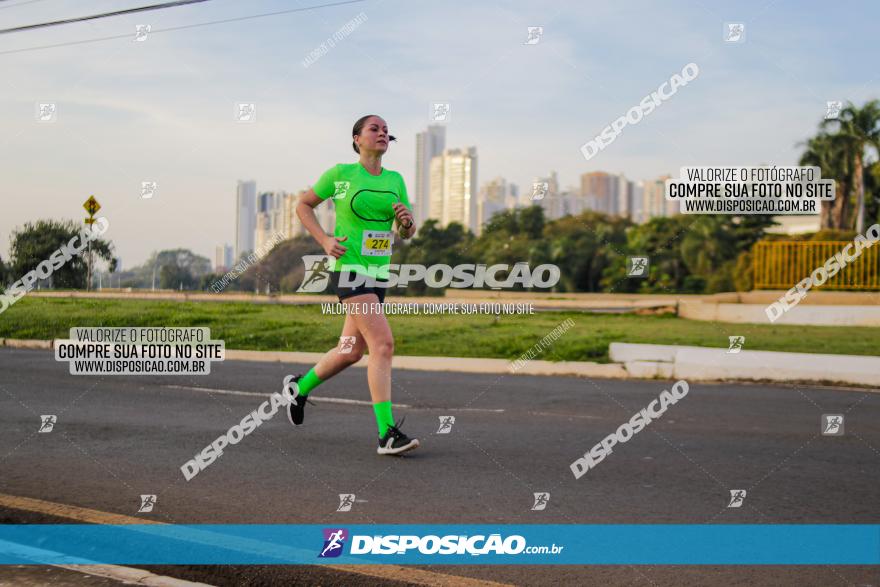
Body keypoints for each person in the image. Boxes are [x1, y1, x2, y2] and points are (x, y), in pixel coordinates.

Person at [288, 114, 419, 455]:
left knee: (350, 352)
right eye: (374, 129)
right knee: (383, 344)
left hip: (378, 275)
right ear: (357, 138)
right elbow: (303, 205)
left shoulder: (395, 180)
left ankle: (299, 388)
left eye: (386, 131)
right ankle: (386, 434)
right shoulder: (340, 175)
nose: (382, 133)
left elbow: (405, 231)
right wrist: (324, 240)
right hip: (349, 269)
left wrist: (406, 224)